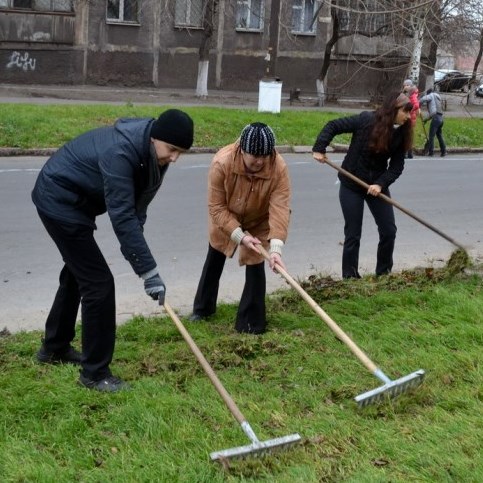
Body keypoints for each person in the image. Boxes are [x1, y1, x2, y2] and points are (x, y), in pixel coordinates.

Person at [32, 109, 194, 392]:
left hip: (78, 203)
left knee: (78, 273)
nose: (175, 157)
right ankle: (95, 374)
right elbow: (122, 217)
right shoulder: (121, 152)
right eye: (172, 149)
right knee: (99, 284)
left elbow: (136, 210)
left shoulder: (154, 154)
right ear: (156, 138)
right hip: (58, 200)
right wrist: (148, 271)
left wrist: (141, 257)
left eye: (181, 152)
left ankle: (54, 348)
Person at [189, 122, 291, 335]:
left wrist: (276, 249)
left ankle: (251, 324)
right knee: (215, 257)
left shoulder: (278, 167)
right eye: (254, 155)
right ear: (242, 150)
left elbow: (280, 208)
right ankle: (203, 309)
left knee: (256, 265)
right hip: (226, 215)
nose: (260, 161)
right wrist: (239, 235)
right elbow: (216, 207)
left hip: (259, 220)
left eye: (265, 155)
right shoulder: (222, 162)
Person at [312, 91, 413, 279]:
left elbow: (397, 167)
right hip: (351, 184)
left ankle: (383, 274)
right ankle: (350, 278)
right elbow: (333, 125)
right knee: (353, 234)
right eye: (405, 112)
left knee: (389, 230)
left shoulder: (401, 133)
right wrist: (319, 148)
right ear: (394, 109)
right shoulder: (366, 120)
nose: (408, 117)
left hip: (376, 186)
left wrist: (380, 184)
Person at [419, 87, 447, 157]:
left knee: (431, 136)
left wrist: (418, 104)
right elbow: (433, 112)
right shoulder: (437, 98)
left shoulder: (431, 95)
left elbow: (423, 99)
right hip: (440, 119)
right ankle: (443, 151)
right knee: (439, 135)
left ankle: (431, 152)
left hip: (435, 119)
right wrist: (425, 120)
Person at [402, 79, 420, 158]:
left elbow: (416, 105)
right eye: (404, 85)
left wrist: (408, 110)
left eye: (406, 85)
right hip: (410, 117)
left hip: (410, 118)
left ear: (410, 86)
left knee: (406, 135)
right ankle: (409, 153)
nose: (405, 87)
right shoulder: (409, 93)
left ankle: (406, 153)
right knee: (408, 135)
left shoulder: (412, 94)